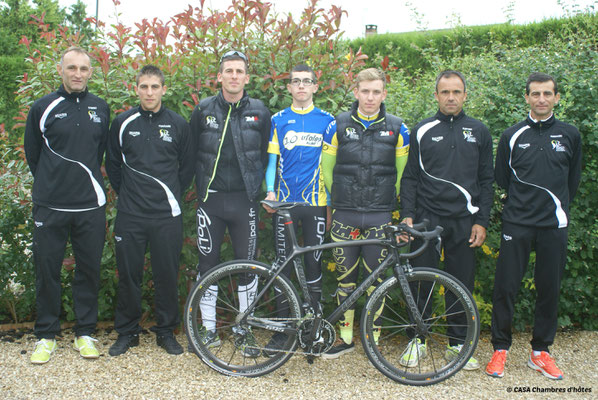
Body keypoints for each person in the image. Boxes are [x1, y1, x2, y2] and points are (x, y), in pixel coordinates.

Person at [486, 72, 582, 380]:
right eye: (535, 94)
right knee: (506, 287)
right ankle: (500, 348)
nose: (541, 99)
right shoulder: (512, 135)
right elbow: (502, 178)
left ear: (556, 98)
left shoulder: (570, 134)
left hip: (553, 224)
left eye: (547, 94)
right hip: (517, 222)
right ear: (526, 98)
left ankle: (540, 351)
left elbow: (573, 181)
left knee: (549, 288)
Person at [399, 70, 493, 370]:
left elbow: (487, 181)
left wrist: (483, 221)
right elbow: (410, 177)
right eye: (445, 92)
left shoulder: (479, 131)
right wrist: (408, 216)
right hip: (427, 219)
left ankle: (457, 345)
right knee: (421, 281)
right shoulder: (422, 129)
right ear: (436, 95)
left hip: (465, 222)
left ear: (465, 95)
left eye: (456, 92)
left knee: (460, 283)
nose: (451, 97)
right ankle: (418, 339)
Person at [24, 46, 110, 364]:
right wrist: (52, 183)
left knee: (88, 271)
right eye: (71, 68)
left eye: (83, 69)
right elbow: (33, 153)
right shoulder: (43, 107)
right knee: (47, 271)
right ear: (61, 70)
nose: (77, 74)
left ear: (90, 73)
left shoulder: (101, 108)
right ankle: (46, 335)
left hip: (90, 205)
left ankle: (84, 333)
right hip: (51, 205)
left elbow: (99, 152)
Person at [321, 68, 410, 359]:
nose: (370, 97)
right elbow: (327, 170)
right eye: (365, 91)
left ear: (384, 94)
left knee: (377, 282)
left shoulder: (399, 128)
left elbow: (401, 176)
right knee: (345, 282)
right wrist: (336, 205)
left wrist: (389, 205)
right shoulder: (337, 124)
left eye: (376, 92)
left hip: (379, 216)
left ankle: (373, 339)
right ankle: (345, 337)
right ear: (356, 91)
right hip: (345, 216)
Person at [105, 65, 194, 356]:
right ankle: (127, 332)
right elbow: (114, 167)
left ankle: (166, 332)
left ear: (164, 89)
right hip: (131, 215)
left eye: (155, 87)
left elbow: (188, 168)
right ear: (136, 89)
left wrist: (169, 195)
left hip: (167, 215)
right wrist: (129, 195)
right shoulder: (122, 122)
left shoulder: (178, 124)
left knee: (166, 274)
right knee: (129, 275)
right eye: (144, 87)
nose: (149, 92)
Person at [190, 50, 271, 357]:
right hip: (210, 202)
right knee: (206, 265)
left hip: (244, 202)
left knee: (248, 268)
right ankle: (208, 329)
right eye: (229, 71)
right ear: (220, 76)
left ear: (246, 77)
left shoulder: (260, 111)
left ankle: (244, 329)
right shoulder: (203, 109)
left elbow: (264, 154)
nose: (234, 76)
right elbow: (192, 152)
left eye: (239, 71)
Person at [262, 64, 334, 356]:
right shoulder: (278, 119)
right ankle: (282, 331)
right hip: (287, 206)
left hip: (316, 205)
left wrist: (331, 205)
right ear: (289, 87)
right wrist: (270, 192)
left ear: (316, 87)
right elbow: (270, 163)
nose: (301, 86)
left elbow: (331, 167)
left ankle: (313, 331)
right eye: (296, 82)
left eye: (307, 82)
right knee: (284, 265)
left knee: (314, 265)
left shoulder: (328, 121)